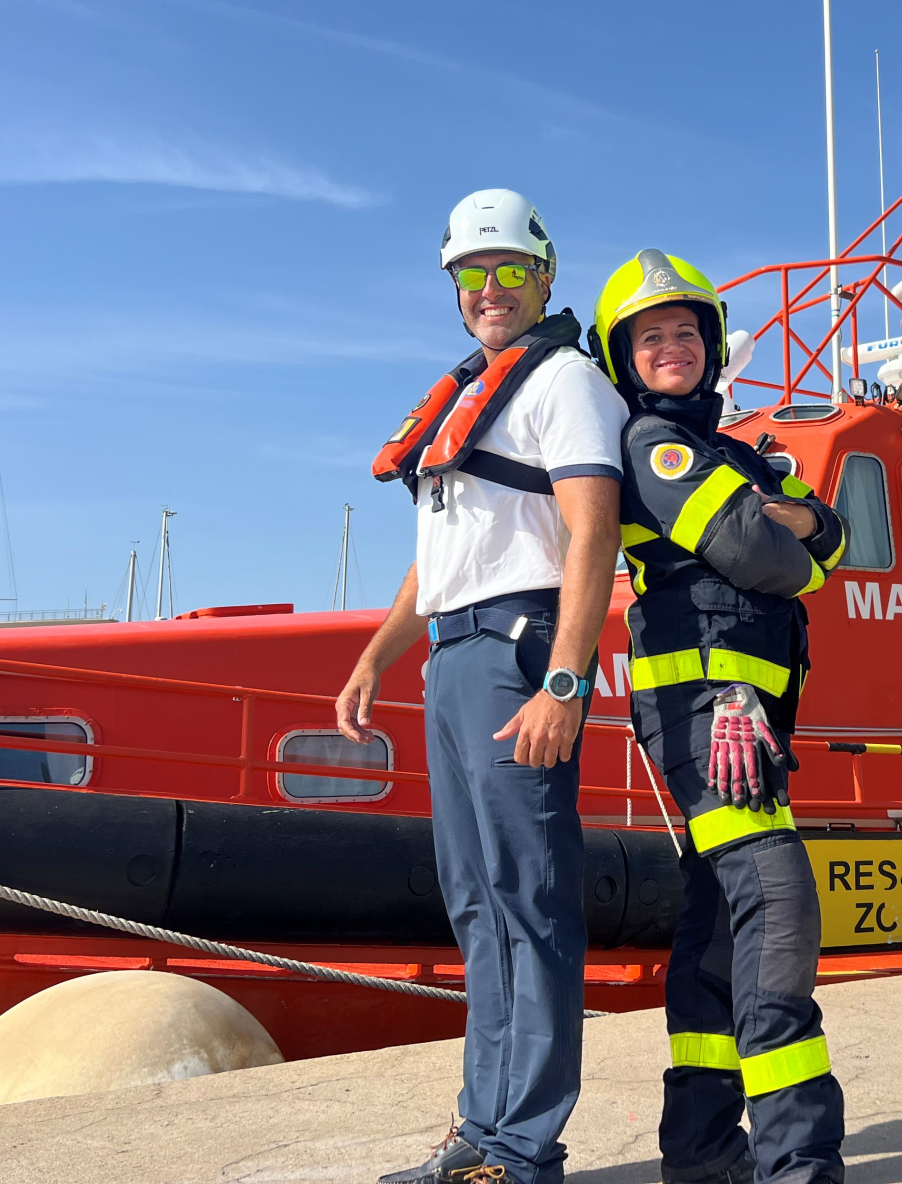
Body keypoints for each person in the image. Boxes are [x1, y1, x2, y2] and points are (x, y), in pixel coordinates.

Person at [337, 189, 627, 1184]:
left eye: (508, 269)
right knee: (475, 900)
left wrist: (564, 681)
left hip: (516, 655)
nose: (490, 288)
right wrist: (380, 652)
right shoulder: (472, 392)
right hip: (453, 657)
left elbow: (591, 533)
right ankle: (481, 1126)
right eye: (472, 273)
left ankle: (524, 1147)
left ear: (546, 275)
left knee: (528, 896)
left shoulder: (567, 384)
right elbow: (441, 557)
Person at [589, 249, 848, 1184]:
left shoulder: (730, 454)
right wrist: (797, 530)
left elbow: (831, 534)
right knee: (776, 908)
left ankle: (702, 1158)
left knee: (715, 933)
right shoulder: (654, 445)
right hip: (709, 715)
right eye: (650, 337)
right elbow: (763, 553)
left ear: (713, 346)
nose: (672, 349)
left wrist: (803, 528)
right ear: (623, 359)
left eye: (686, 333)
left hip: (738, 717)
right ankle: (799, 1166)